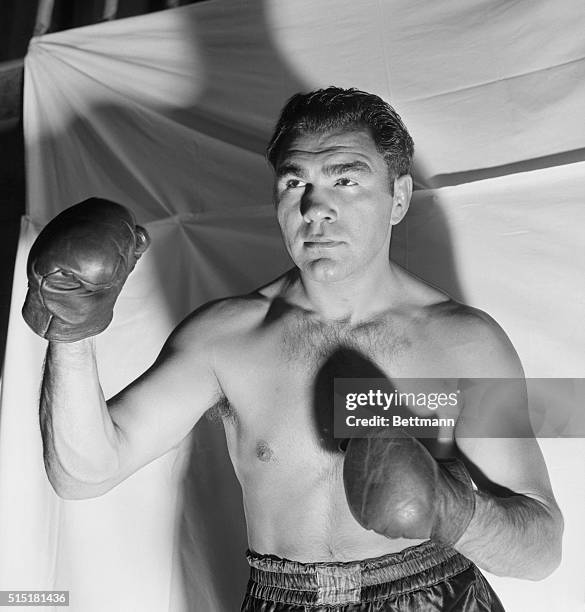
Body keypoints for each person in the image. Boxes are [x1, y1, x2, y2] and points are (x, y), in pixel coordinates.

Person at [24, 87, 563, 611]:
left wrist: (451, 510)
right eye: (294, 182)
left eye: (346, 180)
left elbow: (541, 551)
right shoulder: (226, 338)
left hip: (436, 596)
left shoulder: (461, 342)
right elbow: (84, 475)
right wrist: (71, 334)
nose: (316, 207)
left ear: (397, 198)